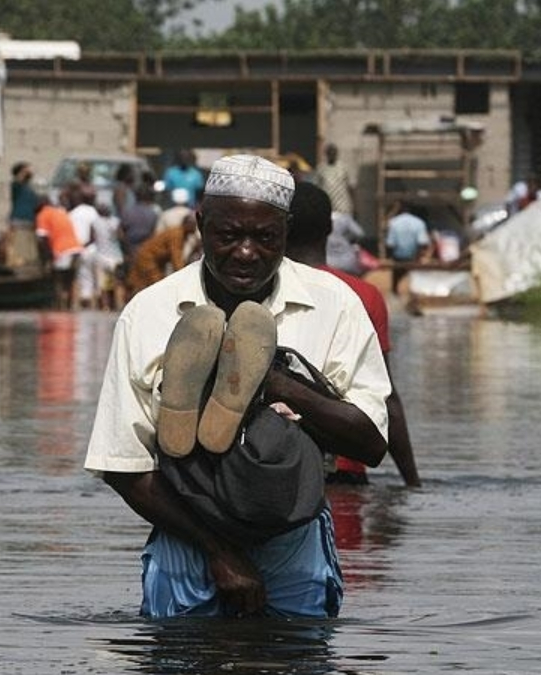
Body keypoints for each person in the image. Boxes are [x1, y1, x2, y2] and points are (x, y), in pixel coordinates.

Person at [85, 154, 391, 619]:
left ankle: (259, 385)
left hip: (292, 529)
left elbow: (370, 444)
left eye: (264, 238)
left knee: (279, 658)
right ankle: (206, 404)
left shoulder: (335, 305)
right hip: (190, 532)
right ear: (201, 224)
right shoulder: (150, 312)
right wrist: (219, 553)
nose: (246, 252)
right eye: (229, 236)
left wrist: (276, 385)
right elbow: (123, 465)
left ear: (285, 232)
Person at [287, 181, 421, 487]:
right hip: (346, 467)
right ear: (329, 230)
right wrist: (412, 481)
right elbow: (386, 396)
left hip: (274, 464)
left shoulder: (261, 289)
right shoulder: (364, 294)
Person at [124, 212, 200, 297]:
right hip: (149, 258)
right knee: (155, 284)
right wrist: (183, 275)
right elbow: (176, 258)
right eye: (194, 225)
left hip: (154, 260)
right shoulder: (176, 234)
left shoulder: (182, 234)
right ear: (187, 224)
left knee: (146, 283)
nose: (195, 228)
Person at [35, 197, 84, 309]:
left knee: (58, 279)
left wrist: (47, 258)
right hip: (76, 248)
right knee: (71, 279)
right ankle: (71, 306)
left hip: (62, 250)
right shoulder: (60, 212)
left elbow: (42, 239)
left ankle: (60, 307)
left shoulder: (42, 215)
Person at [384, 200, 431, 295]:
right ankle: (412, 294)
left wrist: (389, 256)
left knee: (396, 277)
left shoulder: (394, 222)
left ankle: (395, 291)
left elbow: (390, 244)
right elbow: (422, 242)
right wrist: (420, 255)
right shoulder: (419, 222)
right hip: (413, 257)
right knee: (413, 279)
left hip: (398, 257)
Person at [315, 143, 354, 217]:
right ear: (326, 154)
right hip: (327, 209)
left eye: (333, 152)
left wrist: (355, 208)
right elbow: (317, 189)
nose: (332, 154)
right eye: (329, 152)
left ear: (337, 153)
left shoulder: (344, 167)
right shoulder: (321, 168)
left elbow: (351, 188)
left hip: (343, 209)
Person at [10, 162, 39, 227]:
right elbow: (19, 178)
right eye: (25, 171)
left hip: (30, 221)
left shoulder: (28, 187)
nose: (28, 172)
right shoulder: (16, 185)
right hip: (20, 221)